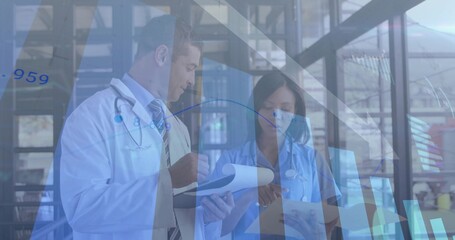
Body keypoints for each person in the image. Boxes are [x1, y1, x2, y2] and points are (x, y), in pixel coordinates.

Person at [60, 15, 234, 240]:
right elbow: (82, 210)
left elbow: (177, 213)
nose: (192, 80)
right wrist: (168, 180)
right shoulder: (92, 117)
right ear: (162, 55)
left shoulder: (177, 127)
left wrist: (208, 216)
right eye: (189, 67)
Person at [210, 71, 341, 239]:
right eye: (267, 107)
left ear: (296, 112)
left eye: (285, 109)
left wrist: (315, 232)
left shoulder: (312, 160)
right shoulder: (231, 161)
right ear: (255, 109)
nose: (276, 115)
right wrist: (248, 195)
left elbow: (326, 225)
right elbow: (216, 227)